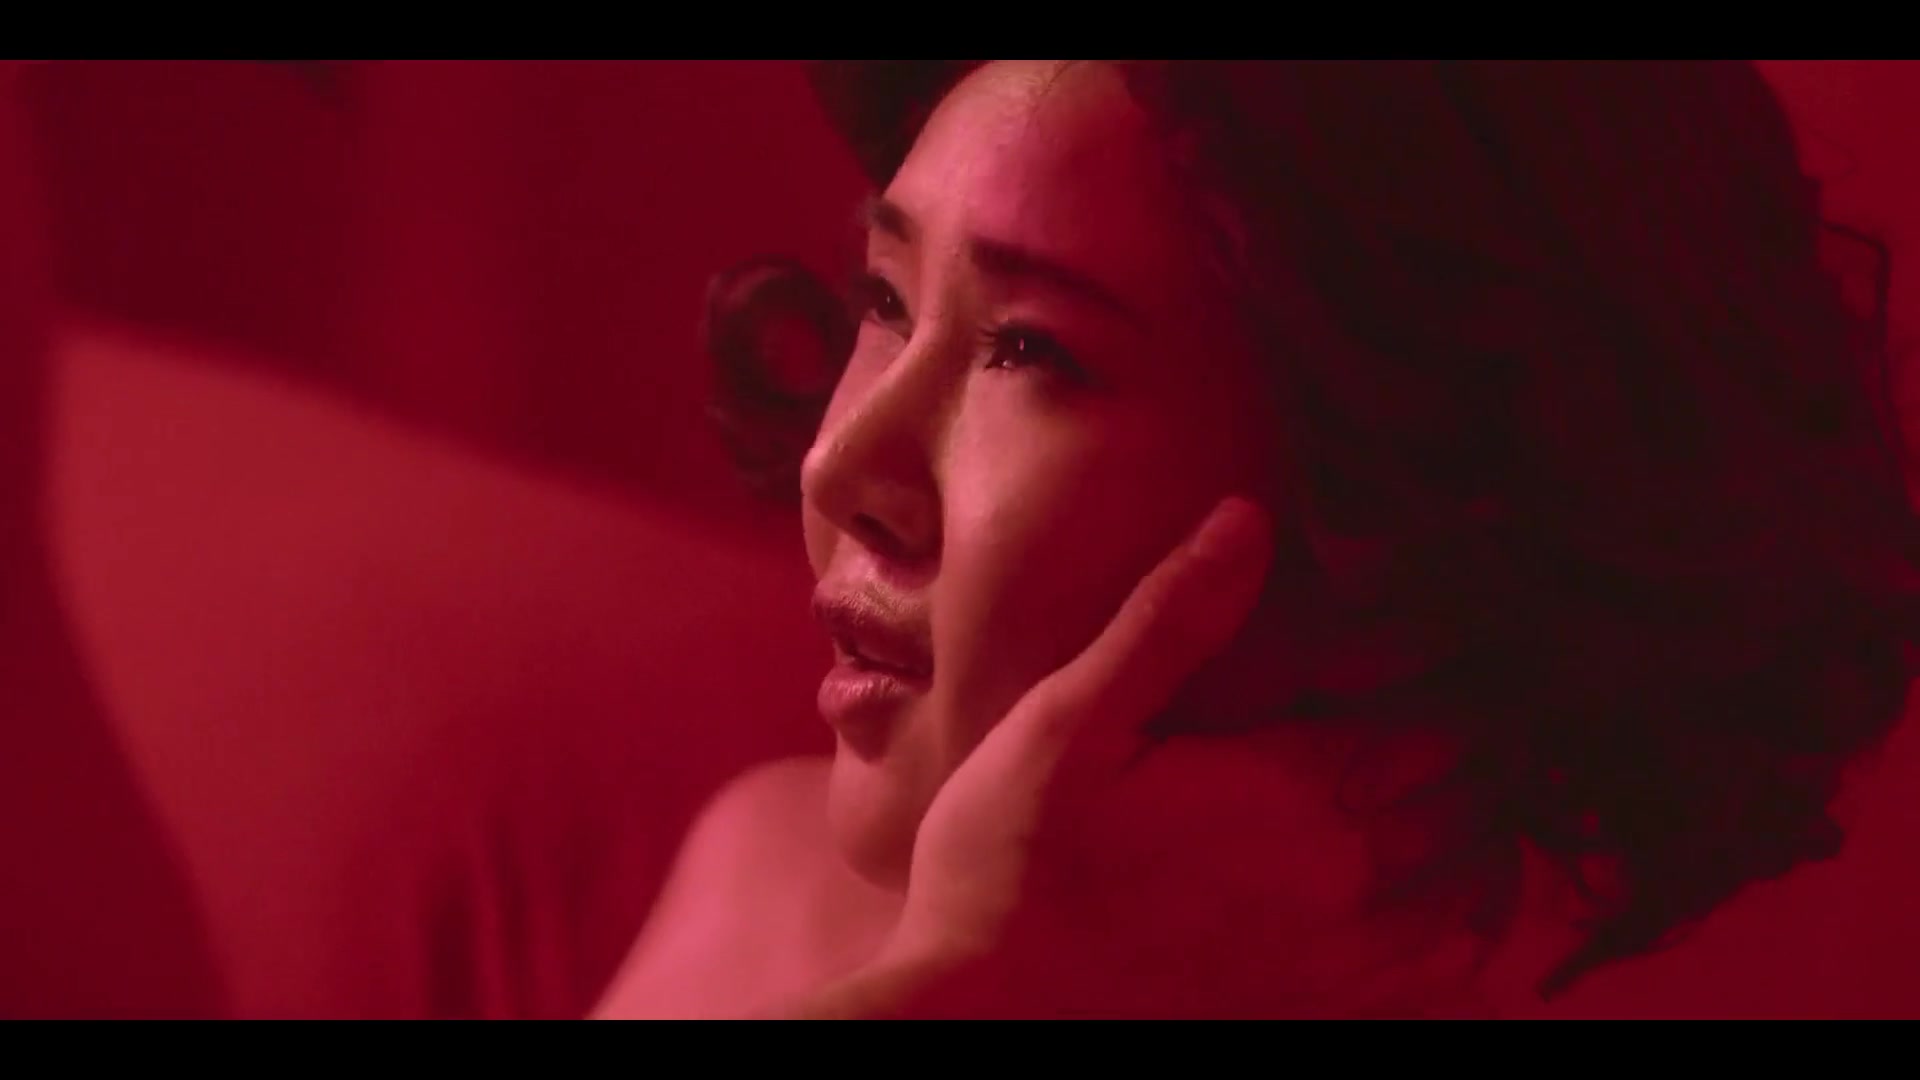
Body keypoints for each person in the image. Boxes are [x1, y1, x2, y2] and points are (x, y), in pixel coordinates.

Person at [590, 59, 1918, 1019]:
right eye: (887, 297)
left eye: (1032, 350)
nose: (842, 468)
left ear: (1391, 497)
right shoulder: (763, 878)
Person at [702, 256, 853, 504]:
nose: (790, 353)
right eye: (772, 349)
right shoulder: (766, 453)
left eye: (793, 333)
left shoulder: (874, 392)